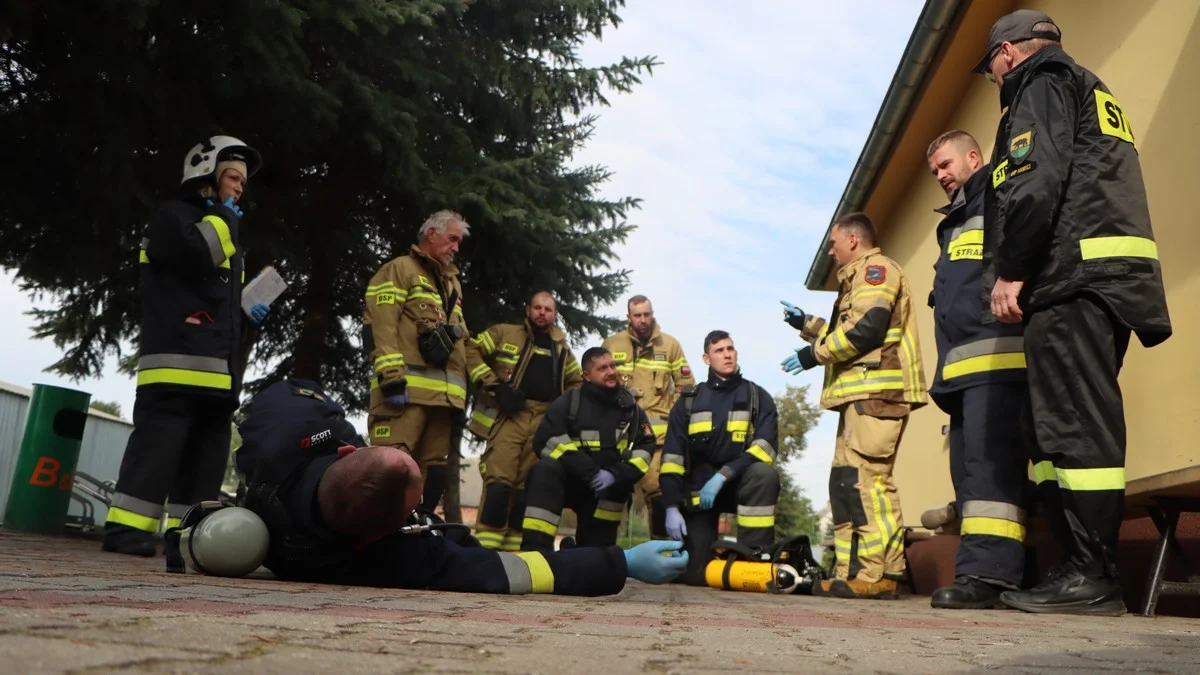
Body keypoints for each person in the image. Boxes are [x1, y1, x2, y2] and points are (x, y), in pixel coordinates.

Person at [975, 10, 1171, 615]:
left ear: (1008, 53)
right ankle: (1076, 567)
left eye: (991, 68)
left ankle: (1095, 575)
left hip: (1073, 279)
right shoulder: (1084, 87)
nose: (994, 78)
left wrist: (1012, 270)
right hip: (1088, 279)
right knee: (1054, 429)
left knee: (1075, 426)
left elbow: (1035, 182)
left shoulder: (1044, 82)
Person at [234, 378, 688, 594]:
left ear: (349, 452)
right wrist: (621, 562)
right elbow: (515, 572)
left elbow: (287, 392)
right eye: (414, 514)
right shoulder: (401, 558)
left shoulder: (280, 446)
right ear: (376, 538)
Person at [102, 135, 269, 556]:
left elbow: (209, 292)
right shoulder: (173, 217)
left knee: (206, 459)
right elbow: (197, 254)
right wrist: (224, 221)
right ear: (206, 175)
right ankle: (125, 531)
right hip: (174, 365)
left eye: (243, 182)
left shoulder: (222, 230)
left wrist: (246, 311)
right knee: (158, 449)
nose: (239, 187)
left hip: (217, 370)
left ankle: (188, 535)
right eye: (232, 177)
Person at [781, 212, 927, 599]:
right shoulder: (857, 280)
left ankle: (878, 576)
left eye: (833, 243)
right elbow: (852, 327)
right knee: (846, 485)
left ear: (853, 240)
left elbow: (867, 330)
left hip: (877, 395)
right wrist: (807, 325)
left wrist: (814, 354)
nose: (830, 251)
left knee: (867, 485)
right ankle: (854, 573)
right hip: (860, 397)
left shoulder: (876, 271)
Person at [923, 130, 1031, 609]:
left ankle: (988, 577)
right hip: (964, 371)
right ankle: (991, 570)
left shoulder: (998, 193)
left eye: (946, 165)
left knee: (990, 472)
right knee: (969, 476)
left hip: (997, 359)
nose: (941, 177)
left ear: (973, 157)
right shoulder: (957, 217)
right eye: (935, 173)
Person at [362, 210, 483, 511]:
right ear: (431, 234)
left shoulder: (452, 285)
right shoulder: (398, 270)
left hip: (442, 402)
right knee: (391, 468)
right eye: (452, 238)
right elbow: (382, 327)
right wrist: (390, 377)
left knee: (431, 474)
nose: (456, 247)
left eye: (459, 242)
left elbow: (462, 340)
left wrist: (469, 390)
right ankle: (376, 540)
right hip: (404, 395)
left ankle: (419, 534)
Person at [658, 330, 780, 586]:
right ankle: (710, 559)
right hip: (700, 495)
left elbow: (765, 448)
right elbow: (672, 457)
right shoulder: (688, 401)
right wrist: (671, 507)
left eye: (730, 349)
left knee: (764, 474)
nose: (727, 354)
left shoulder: (757, 397)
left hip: (741, 484)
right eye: (719, 350)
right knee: (694, 576)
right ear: (706, 358)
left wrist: (724, 475)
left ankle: (754, 558)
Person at [465, 291, 583, 551]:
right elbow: (470, 351)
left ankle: (514, 549)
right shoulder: (504, 333)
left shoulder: (562, 349)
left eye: (548, 309)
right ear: (528, 310)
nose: (542, 313)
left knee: (525, 488)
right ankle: (486, 549)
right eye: (538, 308)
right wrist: (494, 385)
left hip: (544, 418)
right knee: (499, 480)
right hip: (510, 415)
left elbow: (577, 383)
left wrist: (563, 411)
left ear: (555, 315)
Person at [520, 347, 656, 552]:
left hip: (607, 491)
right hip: (570, 482)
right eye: (602, 368)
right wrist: (589, 472)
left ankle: (576, 552)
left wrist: (615, 474)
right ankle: (536, 553)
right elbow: (546, 440)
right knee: (544, 469)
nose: (611, 372)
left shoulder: (631, 410)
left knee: (594, 559)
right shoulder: (570, 402)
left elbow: (645, 450)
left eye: (612, 366)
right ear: (587, 376)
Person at [602, 295, 695, 539]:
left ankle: (663, 555)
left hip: (657, 438)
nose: (643, 320)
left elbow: (687, 387)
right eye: (637, 315)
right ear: (628, 317)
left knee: (660, 495)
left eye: (647, 314)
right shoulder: (612, 344)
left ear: (652, 314)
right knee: (611, 498)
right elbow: (597, 382)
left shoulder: (670, 345)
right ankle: (604, 555)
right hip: (618, 436)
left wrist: (671, 415)